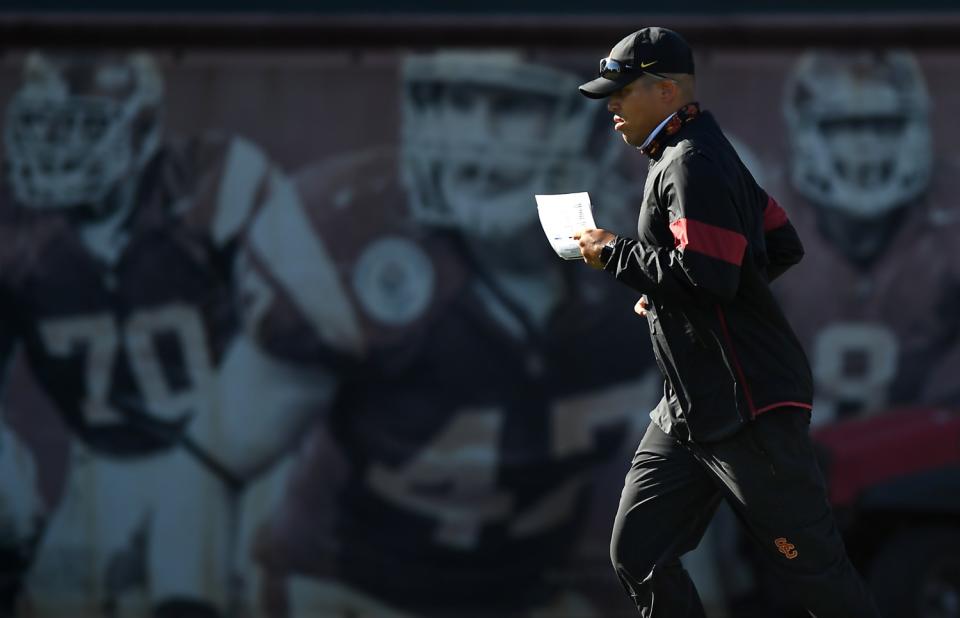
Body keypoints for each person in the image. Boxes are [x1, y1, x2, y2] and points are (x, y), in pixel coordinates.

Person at [238, 51, 679, 617]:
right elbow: (215, 458)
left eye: (512, 107)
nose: (474, 140)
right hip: (345, 590)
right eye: (456, 104)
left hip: (533, 592)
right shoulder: (356, 234)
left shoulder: (646, 237)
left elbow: (681, 475)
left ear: (584, 121)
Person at [573, 27, 881, 617]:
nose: (610, 104)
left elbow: (709, 275)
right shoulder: (695, 152)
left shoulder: (692, 161)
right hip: (693, 410)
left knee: (814, 569)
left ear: (666, 92)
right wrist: (668, 295)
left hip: (749, 409)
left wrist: (615, 254)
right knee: (637, 552)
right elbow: (776, 244)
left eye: (622, 91)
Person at [0, 51, 312, 617]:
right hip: (104, 469)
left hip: (231, 465)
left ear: (142, 127)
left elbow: (301, 338)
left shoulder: (215, 179)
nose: (57, 147)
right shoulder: (14, 223)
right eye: (44, 126)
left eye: (82, 127)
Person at [776, 50, 960, 423]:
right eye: (844, 127)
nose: (865, 146)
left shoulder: (949, 227)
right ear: (805, 132)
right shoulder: (754, 225)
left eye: (884, 125)